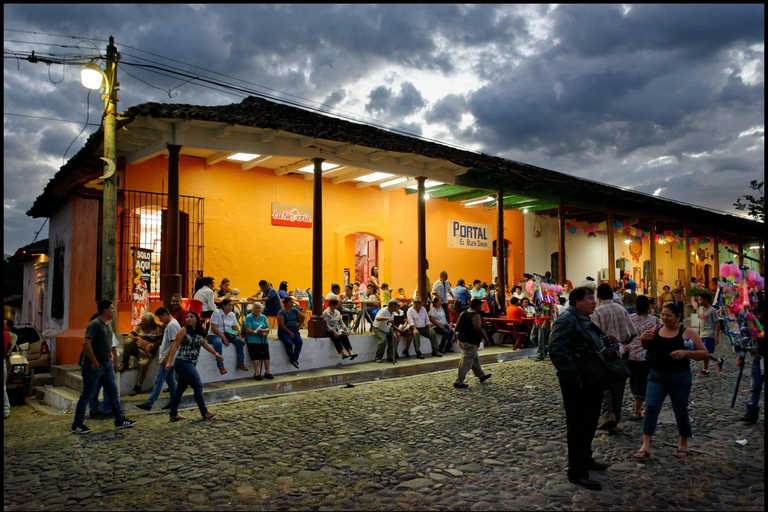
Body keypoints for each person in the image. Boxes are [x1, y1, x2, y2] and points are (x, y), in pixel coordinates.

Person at [548, 287, 609, 490]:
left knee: (590, 422)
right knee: (578, 426)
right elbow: (557, 349)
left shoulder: (583, 319)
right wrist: (574, 374)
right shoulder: (566, 320)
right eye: (590, 299)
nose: (594, 302)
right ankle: (577, 471)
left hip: (591, 380)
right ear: (577, 301)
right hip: (578, 383)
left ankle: (586, 459)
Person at [633, 303, 708, 460]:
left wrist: (685, 352)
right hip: (656, 375)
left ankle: (683, 442)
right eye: (663, 315)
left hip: (679, 376)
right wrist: (642, 339)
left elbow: (703, 353)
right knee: (651, 407)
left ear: (678, 316)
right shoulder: (657, 329)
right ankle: (646, 445)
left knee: (680, 409)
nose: (665, 318)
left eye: (669, 315)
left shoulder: (686, 332)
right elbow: (646, 346)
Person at [71, 301, 138, 434]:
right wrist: (94, 361)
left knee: (113, 392)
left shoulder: (108, 326)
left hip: (106, 365)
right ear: (104, 310)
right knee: (87, 394)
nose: (113, 311)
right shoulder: (95, 324)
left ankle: (119, 419)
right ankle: (77, 423)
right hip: (93, 366)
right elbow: (86, 344)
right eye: (111, 309)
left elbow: (108, 344)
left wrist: (112, 359)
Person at [591, 283, 636, 433]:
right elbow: (633, 332)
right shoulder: (622, 309)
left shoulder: (597, 312)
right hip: (621, 351)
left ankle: (608, 413)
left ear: (598, 297)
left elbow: (593, 335)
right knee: (618, 386)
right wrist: (623, 343)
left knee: (604, 384)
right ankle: (614, 419)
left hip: (604, 352)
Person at [165, 311, 222, 421]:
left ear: (196, 319)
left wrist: (216, 354)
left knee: (180, 389)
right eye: (187, 317)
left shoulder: (199, 332)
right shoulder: (183, 330)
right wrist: (169, 361)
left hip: (191, 362)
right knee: (197, 385)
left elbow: (203, 344)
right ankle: (204, 412)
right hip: (182, 362)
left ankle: (173, 414)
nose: (188, 319)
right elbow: (175, 346)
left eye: (191, 317)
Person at [135, 307, 180, 411]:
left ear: (165, 315)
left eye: (160, 318)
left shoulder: (172, 325)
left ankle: (149, 403)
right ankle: (175, 401)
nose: (160, 321)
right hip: (169, 358)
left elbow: (174, 343)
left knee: (159, 381)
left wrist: (167, 359)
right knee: (171, 382)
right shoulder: (173, 324)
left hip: (166, 359)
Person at [627, 296, 660, 421]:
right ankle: (637, 410)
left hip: (631, 354)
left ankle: (637, 407)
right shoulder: (654, 320)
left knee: (634, 381)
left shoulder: (630, 319)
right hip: (646, 355)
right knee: (642, 382)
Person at [121, 312, 164, 396]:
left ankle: (138, 387)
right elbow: (129, 335)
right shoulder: (139, 326)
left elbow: (159, 341)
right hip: (137, 348)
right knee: (128, 342)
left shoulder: (158, 328)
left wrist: (151, 345)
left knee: (143, 364)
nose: (141, 322)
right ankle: (125, 363)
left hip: (148, 352)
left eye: (143, 321)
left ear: (150, 322)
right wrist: (136, 338)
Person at [453, 298, 492, 389]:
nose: (481, 307)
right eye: (480, 306)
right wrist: (486, 338)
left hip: (462, 340)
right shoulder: (475, 315)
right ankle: (459, 381)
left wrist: (455, 336)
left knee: (474, 359)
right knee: (466, 362)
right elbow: (477, 327)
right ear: (477, 306)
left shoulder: (464, 313)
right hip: (470, 341)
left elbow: (457, 325)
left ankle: (481, 375)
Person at [735, 311, 765, 423]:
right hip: (761, 357)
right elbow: (748, 336)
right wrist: (741, 356)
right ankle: (751, 412)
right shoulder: (755, 317)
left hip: (760, 357)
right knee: (755, 386)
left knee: (755, 386)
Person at [208, 298, 247, 375]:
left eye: (232, 306)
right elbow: (213, 328)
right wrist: (223, 338)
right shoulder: (217, 313)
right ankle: (221, 366)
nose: (231, 307)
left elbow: (235, 327)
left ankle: (240, 363)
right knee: (218, 344)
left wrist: (239, 337)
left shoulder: (232, 315)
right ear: (223, 306)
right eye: (229, 305)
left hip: (228, 333)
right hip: (215, 334)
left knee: (239, 342)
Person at [696, 292, 724, 376]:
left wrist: (717, 335)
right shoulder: (700, 309)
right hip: (702, 334)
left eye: (700, 299)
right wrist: (699, 332)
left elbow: (717, 323)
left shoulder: (712, 310)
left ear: (706, 300)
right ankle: (718, 361)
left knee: (706, 353)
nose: (699, 301)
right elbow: (700, 322)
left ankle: (705, 369)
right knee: (705, 353)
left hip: (710, 334)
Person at [244, 302, 271, 380]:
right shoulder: (249, 317)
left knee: (266, 356)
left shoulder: (263, 317)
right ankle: (256, 373)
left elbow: (268, 327)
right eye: (255, 308)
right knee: (256, 356)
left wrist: (264, 331)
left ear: (261, 309)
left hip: (263, 339)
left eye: (259, 308)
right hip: (253, 339)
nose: (257, 309)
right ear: (252, 309)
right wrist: (257, 333)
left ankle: (267, 372)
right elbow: (248, 329)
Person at [277, 296, 305, 369]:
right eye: (290, 302)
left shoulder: (295, 310)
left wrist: (298, 327)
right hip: (284, 331)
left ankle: (294, 359)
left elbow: (303, 317)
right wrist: (289, 333)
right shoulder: (281, 312)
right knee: (288, 342)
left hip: (294, 329)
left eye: (292, 302)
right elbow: (281, 325)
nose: (292, 304)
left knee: (299, 342)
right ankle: (291, 357)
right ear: (285, 303)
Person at [4, 325, 12, 419]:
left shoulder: (6, 334)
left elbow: (9, 346)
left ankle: (6, 409)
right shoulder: (6, 334)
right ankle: (5, 409)